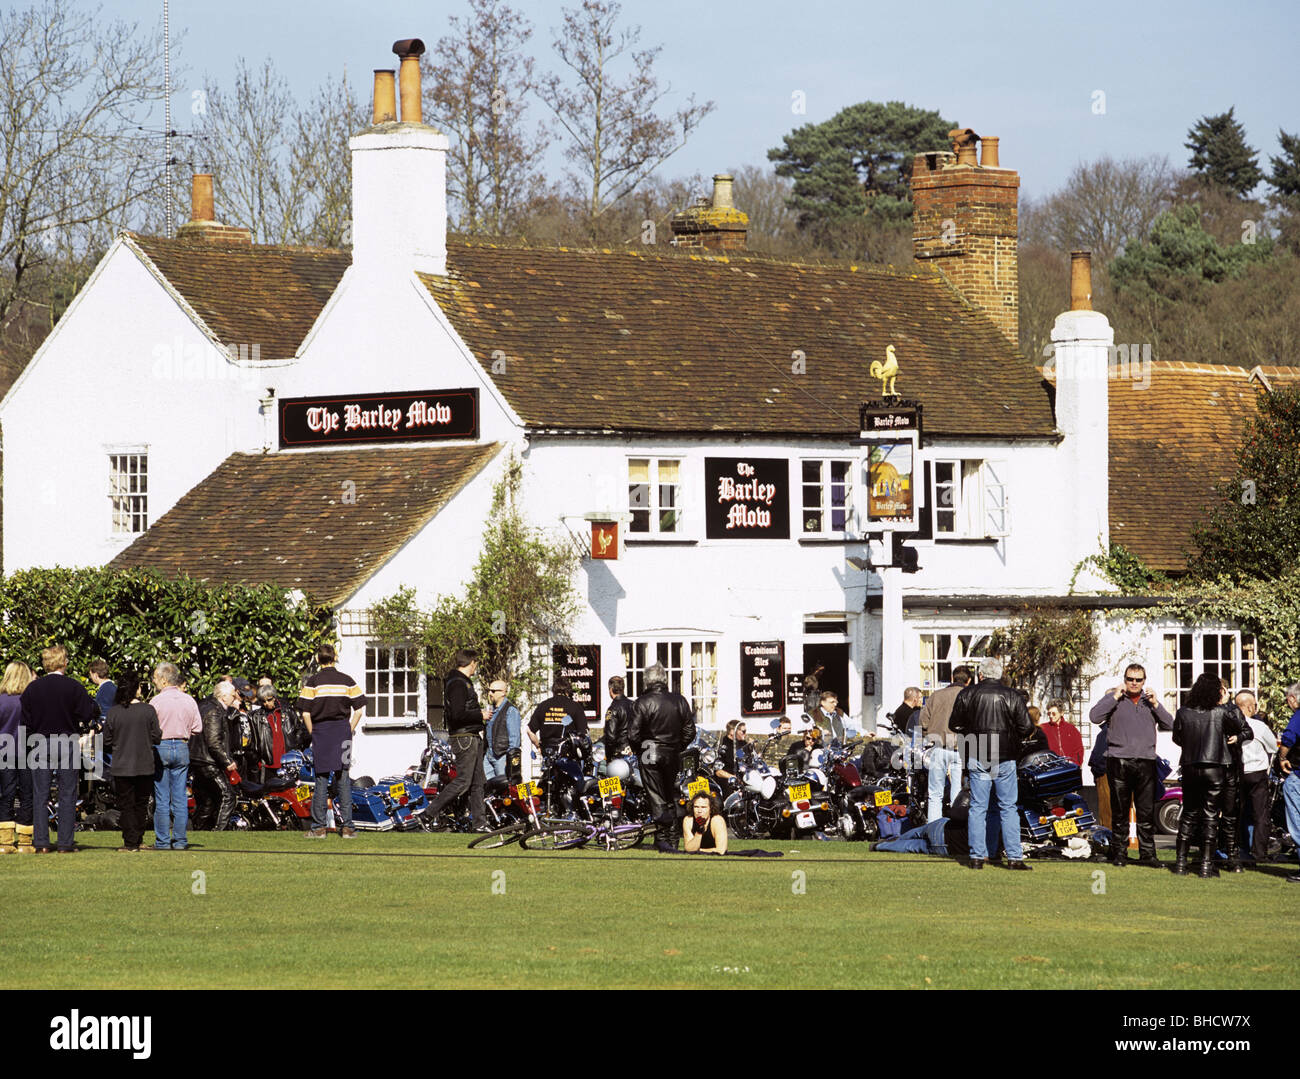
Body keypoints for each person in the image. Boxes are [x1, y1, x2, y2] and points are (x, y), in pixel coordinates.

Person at [949, 658, 1035, 871]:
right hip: (1005, 755)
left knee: (978, 807)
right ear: (999, 674)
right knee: (1007, 807)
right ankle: (1013, 857)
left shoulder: (967, 694)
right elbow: (1026, 727)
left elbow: (954, 724)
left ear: (980, 675)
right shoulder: (1012, 695)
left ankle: (978, 856)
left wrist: (971, 732)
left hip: (978, 753)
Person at [1088, 663, 1174, 868]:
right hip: (1119, 760)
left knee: (1145, 811)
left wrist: (1156, 704)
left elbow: (1171, 724)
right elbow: (1094, 716)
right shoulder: (1115, 699)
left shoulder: (1149, 701)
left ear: (1144, 681)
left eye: (1138, 680)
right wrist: (1114, 697)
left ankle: (1147, 855)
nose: (1134, 683)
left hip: (1146, 761)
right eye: (1130, 679)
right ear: (1124, 679)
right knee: (1120, 811)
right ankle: (1119, 853)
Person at [1171, 672, 1251, 877]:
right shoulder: (1221, 712)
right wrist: (1226, 703)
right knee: (1210, 815)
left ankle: (1180, 863)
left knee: (1189, 813)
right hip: (1215, 766)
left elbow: (1177, 738)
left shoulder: (1183, 712)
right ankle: (1206, 864)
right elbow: (1241, 726)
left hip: (1190, 766)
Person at [20, 644, 97, 853]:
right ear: (64, 662)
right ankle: (64, 842)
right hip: (66, 741)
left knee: (40, 793)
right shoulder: (73, 687)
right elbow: (88, 714)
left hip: (39, 742)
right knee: (68, 792)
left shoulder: (32, 689)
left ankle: (42, 842)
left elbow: (24, 722)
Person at [297, 644, 366, 839]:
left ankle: (318, 828)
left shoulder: (312, 683)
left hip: (321, 732)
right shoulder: (347, 681)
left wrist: (313, 732)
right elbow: (359, 710)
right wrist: (349, 729)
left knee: (320, 779)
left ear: (318, 660)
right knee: (343, 778)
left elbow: (305, 712)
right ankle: (348, 828)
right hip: (342, 732)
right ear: (334, 658)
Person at [630, 662, 696, 852]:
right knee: (669, 796)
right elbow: (690, 730)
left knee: (656, 797)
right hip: (672, 752)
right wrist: (677, 746)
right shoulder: (679, 700)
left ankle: (663, 839)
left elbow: (633, 734)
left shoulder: (642, 702)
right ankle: (673, 839)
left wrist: (639, 749)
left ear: (647, 681)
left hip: (649, 751)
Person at [423, 648, 486, 831]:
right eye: (476, 664)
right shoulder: (458, 683)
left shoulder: (461, 682)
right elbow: (457, 714)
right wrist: (479, 714)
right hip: (464, 736)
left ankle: (480, 824)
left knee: (477, 783)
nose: (476, 668)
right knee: (463, 782)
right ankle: (427, 814)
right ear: (472, 663)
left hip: (471, 735)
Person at [103, 676, 162, 852]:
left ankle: (131, 842)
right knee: (141, 804)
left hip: (122, 764)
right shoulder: (148, 710)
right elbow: (157, 736)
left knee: (126, 805)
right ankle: (137, 839)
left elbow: (106, 740)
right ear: (137, 689)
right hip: (144, 763)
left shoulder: (114, 712)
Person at [148, 661, 202, 850]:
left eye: (155, 677)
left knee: (161, 798)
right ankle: (180, 841)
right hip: (181, 745)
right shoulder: (188, 700)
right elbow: (197, 728)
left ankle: (162, 841)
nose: (153, 681)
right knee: (179, 797)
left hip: (161, 746)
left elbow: (149, 729)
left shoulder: (155, 701)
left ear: (163, 680)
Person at [919, 665, 971, 823]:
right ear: (968, 680)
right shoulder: (970, 695)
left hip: (938, 747)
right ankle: (956, 828)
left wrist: (928, 735)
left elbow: (923, 721)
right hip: (961, 748)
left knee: (935, 793)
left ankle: (933, 829)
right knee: (958, 792)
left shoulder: (936, 695)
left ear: (952, 678)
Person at [190, 680, 240, 830]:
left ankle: (198, 828)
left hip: (198, 759)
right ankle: (220, 830)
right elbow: (213, 741)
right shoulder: (214, 711)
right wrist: (227, 761)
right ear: (223, 696)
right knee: (228, 795)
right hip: (208, 761)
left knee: (207, 801)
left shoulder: (205, 706)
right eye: (232, 695)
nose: (235, 697)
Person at [1235, 690, 1277, 866]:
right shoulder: (1259, 726)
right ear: (1250, 707)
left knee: (1238, 812)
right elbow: (1273, 746)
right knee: (1261, 814)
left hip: (1238, 772)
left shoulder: (1231, 725)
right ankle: (1259, 852)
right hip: (1257, 772)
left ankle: (1239, 847)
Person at [0, 660, 35, 854]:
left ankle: (5, 842)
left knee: (7, 794)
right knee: (27, 795)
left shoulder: (1, 700)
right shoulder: (29, 702)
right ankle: (24, 841)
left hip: (4, 751)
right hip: (28, 751)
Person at [526, 677, 590, 755]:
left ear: (554, 690)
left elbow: (529, 730)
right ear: (568, 691)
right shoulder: (575, 706)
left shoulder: (543, 706)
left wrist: (538, 747)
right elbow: (583, 734)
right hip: (568, 756)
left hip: (548, 756)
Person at [1278, 683, 1300, 883]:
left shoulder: (1298, 716)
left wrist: (1282, 757)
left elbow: (1288, 739)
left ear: (1293, 699)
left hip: (1298, 775)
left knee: (1297, 822)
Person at [484, 678, 522, 783]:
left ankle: (528, 798)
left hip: (502, 756)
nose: (490, 693)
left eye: (493, 691)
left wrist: (509, 760)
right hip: (489, 756)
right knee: (489, 789)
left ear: (503, 693)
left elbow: (515, 740)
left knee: (507, 788)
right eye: (489, 690)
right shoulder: (491, 710)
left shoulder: (511, 711)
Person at [1041, 699, 1085, 767]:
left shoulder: (1071, 729)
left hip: (1069, 768)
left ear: (1061, 713)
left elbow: (1079, 749)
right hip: (1050, 769)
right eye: (1049, 713)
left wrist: (1074, 763)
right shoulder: (1043, 728)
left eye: (1053, 713)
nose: (1051, 716)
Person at [603, 676, 635, 759]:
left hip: (619, 753)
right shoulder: (634, 705)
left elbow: (610, 736)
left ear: (610, 690)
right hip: (632, 751)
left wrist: (609, 756)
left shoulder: (612, 709)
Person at [1088, 724, 1111, 829]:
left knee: (1107, 808)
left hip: (1106, 773)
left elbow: (1098, 757)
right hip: (1108, 771)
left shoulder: (1107, 731)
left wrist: (1098, 770)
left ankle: (1108, 834)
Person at [714, 720, 751, 786]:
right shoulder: (722, 746)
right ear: (732, 731)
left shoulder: (742, 743)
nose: (745, 734)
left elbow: (743, 759)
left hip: (744, 778)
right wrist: (734, 777)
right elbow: (718, 771)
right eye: (743, 731)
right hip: (728, 781)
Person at [87, 659, 116, 724]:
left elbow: (104, 715)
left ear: (95, 675)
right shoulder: (113, 687)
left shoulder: (105, 690)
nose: (90, 677)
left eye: (90, 674)